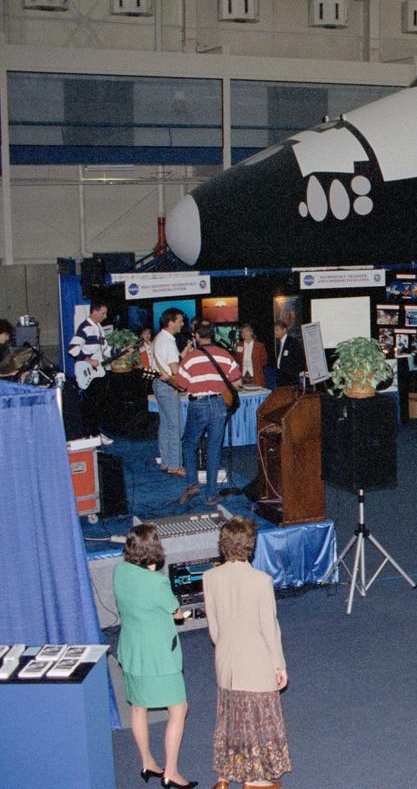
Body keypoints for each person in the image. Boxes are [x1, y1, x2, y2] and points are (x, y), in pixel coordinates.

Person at [204, 517, 291, 789]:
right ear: (250, 546)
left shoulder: (210, 577)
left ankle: (224, 776)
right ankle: (255, 779)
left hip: (226, 661)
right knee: (257, 719)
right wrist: (279, 666)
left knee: (230, 718)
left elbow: (214, 630)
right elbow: (270, 629)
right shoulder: (261, 581)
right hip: (256, 662)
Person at [113, 524, 195, 789]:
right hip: (158, 656)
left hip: (132, 651)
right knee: (178, 708)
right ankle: (171, 772)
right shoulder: (156, 582)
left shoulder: (119, 571)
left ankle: (147, 761)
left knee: (139, 706)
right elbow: (176, 613)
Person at [177, 320, 241, 506]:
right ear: (212, 334)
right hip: (219, 404)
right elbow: (236, 382)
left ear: (196, 336)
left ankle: (192, 484)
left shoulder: (190, 358)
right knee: (214, 448)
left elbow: (181, 385)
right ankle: (211, 495)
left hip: (198, 405)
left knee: (189, 445)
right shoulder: (225, 355)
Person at [68, 300, 113, 443]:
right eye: (103, 313)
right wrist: (88, 360)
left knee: (98, 404)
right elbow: (73, 349)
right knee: (91, 405)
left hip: (98, 372)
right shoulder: (85, 327)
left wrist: (122, 351)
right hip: (88, 372)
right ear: (94, 311)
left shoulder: (98, 328)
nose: (105, 316)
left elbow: (106, 349)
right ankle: (91, 434)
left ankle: (96, 433)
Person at [152, 309, 187, 477]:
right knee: (176, 426)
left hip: (159, 384)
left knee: (166, 425)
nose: (182, 324)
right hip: (168, 387)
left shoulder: (158, 338)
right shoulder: (169, 342)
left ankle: (166, 462)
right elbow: (175, 370)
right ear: (171, 322)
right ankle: (175, 465)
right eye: (180, 321)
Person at [271, 321, 305, 388]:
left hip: (290, 380)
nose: (275, 332)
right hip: (280, 378)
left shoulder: (293, 342)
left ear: (284, 330)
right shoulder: (279, 344)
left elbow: (300, 360)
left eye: (277, 330)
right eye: (274, 330)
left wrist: (293, 374)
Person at [234, 323, 267, 389]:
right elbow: (236, 359)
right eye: (242, 332)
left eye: (246, 331)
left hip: (256, 376)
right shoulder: (238, 345)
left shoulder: (260, 346)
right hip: (243, 375)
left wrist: (256, 366)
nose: (244, 334)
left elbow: (264, 361)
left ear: (251, 332)